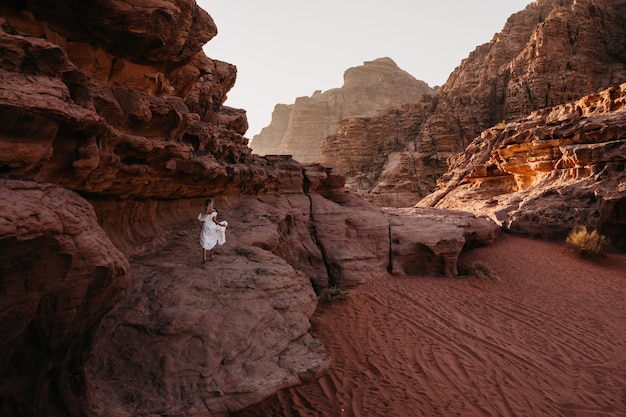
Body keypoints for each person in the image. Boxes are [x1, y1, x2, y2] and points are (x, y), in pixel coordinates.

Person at [197, 198, 228, 262]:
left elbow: (199, 220)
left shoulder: (203, 212)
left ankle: (204, 257)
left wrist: (201, 227)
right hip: (212, 227)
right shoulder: (213, 212)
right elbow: (214, 221)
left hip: (205, 227)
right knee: (213, 241)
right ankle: (211, 255)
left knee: (205, 242)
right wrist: (221, 225)